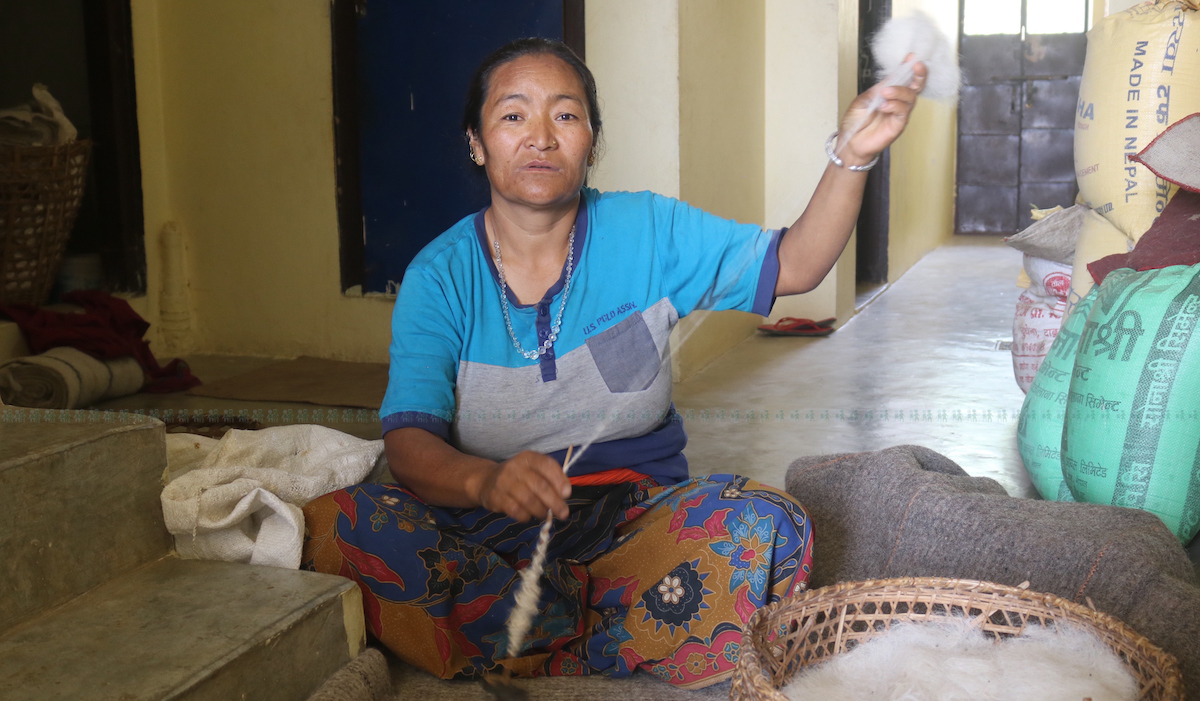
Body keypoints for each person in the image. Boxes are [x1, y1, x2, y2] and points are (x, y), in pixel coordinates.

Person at [303, 37, 924, 688]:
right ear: (477, 143)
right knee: (339, 524)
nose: (541, 137)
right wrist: (486, 482)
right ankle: (624, 632)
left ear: (592, 143)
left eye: (565, 115)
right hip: (478, 530)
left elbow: (795, 263)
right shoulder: (440, 276)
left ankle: (526, 634)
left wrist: (852, 155)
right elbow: (409, 444)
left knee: (766, 524)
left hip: (632, 525)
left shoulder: (647, 231)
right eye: (513, 115)